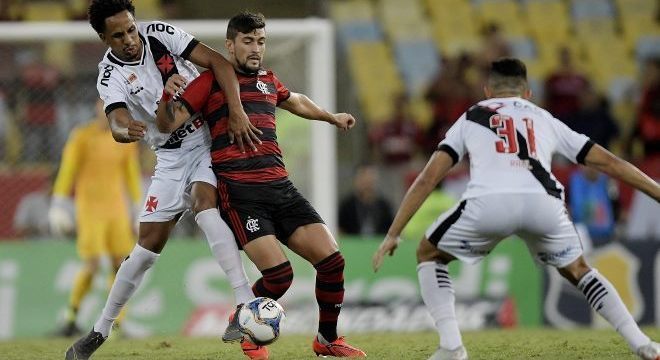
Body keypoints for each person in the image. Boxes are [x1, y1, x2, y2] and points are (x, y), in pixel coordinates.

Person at [372, 58, 660, 360]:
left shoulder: (472, 116)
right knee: (579, 270)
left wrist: (394, 232)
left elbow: (428, 177)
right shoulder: (544, 118)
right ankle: (642, 343)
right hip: (543, 204)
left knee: (428, 253)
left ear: (487, 91)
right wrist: (656, 191)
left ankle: (452, 347)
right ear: (528, 93)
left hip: (488, 204)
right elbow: (610, 163)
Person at [155, 11, 366, 359]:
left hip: (281, 187)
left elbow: (294, 99)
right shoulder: (210, 82)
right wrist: (167, 96)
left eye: (261, 41)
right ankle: (247, 329)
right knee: (279, 277)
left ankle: (327, 339)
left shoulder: (268, 79)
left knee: (332, 261)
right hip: (241, 193)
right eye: (248, 41)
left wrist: (330, 116)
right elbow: (167, 125)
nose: (256, 49)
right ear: (230, 44)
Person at [66, 1, 260, 358]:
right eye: (118, 35)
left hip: (204, 140)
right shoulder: (108, 75)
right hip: (168, 158)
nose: (129, 39)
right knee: (144, 251)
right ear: (103, 38)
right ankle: (99, 331)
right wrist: (126, 131)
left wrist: (236, 111)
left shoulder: (160, 34)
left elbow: (218, 62)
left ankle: (244, 303)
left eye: (130, 29)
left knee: (206, 208)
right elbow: (116, 121)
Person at [50, 98, 142, 337]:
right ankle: (71, 315)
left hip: (116, 210)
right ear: (95, 108)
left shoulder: (125, 138)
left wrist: (137, 206)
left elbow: (131, 174)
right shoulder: (81, 136)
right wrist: (59, 202)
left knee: (118, 264)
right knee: (91, 265)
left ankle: (118, 322)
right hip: (89, 209)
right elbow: (68, 169)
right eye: (102, 107)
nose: (106, 113)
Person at [338, 163, 393, 236]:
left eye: (370, 179)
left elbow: (391, 229)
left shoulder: (384, 205)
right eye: (363, 178)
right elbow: (340, 230)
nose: (367, 183)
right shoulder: (347, 205)